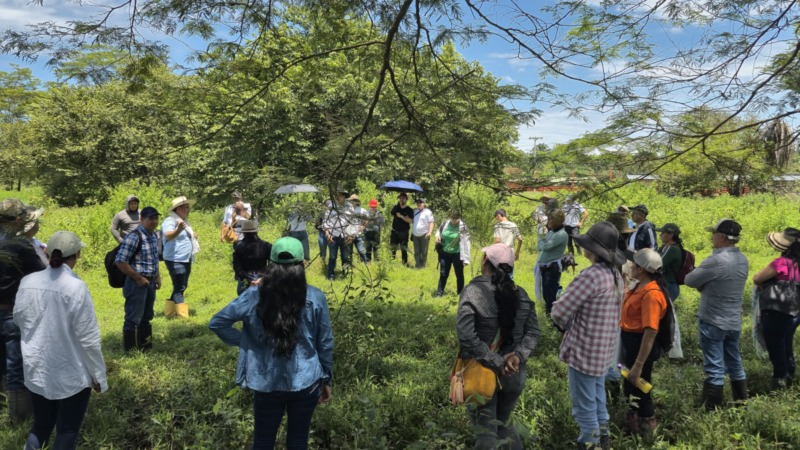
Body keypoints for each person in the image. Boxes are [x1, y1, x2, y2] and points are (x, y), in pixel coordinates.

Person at [209, 237, 333, 450]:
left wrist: (247, 342)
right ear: (302, 265)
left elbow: (218, 322)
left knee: (263, 442)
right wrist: (327, 379)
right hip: (307, 380)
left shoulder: (253, 295)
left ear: (270, 265)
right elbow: (325, 341)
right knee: (298, 441)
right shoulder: (315, 296)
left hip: (265, 381)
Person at [14, 231, 108, 450]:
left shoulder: (27, 282)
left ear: (47, 253)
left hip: (37, 369)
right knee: (67, 431)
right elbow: (88, 339)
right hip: (71, 375)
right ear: (77, 255)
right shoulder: (76, 287)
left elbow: (19, 319)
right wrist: (98, 376)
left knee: (41, 426)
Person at [455, 243, 541, 449]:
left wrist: (496, 361)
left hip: (482, 372)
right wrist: (517, 356)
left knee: (486, 433)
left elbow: (466, 336)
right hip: (514, 374)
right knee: (503, 423)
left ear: (485, 260)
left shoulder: (473, 291)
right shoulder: (521, 294)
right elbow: (533, 332)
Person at [551, 221, 624, 449]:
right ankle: (604, 439)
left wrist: (564, 324)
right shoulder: (615, 274)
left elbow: (559, 312)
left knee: (584, 408)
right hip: (603, 351)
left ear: (592, 249)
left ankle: (589, 443)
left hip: (584, 350)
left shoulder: (591, 276)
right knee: (598, 399)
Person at [685, 219, 748, 410]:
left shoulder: (715, 261)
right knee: (735, 363)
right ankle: (741, 404)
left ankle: (711, 410)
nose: (711, 237)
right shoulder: (743, 259)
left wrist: (702, 282)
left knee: (714, 367)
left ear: (721, 237)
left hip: (713, 320)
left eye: (713, 234)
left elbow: (689, 280)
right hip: (733, 320)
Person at [0, 198, 46, 423]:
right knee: (16, 363)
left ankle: (4, 409)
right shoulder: (19, 245)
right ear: (17, 219)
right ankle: (20, 418)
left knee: (2, 363)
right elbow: (43, 274)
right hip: (13, 311)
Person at [619, 248, 668, 434]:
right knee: (631, 386)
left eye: (634, 264)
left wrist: (639, 364)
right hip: (631, 343)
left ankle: (647, 428)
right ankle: (633, 426)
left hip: (640, 346)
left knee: (641, 386)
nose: (630, 266)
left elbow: (650, 331)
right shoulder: (639, 287)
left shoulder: (651, 294)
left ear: (641, 269)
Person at [752, 228, 800, 391]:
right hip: (795, 312)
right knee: (786, 343)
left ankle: (779, 381)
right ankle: (790, 375)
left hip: (776, 311)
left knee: (775, 347)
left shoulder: (781, 263)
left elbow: (757, 278)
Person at [115, 206, 162, 350]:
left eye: (156, 218)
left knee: (147, 316)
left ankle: (145, 347)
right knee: (133, 318)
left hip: (150, 282)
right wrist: (138, 278)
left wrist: (157, 276)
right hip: (136, 284)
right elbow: (120, 261)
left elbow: (154, 258)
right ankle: (130, 351)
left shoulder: (153, 235)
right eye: (150, 218)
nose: (154, 221)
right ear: (142, 219)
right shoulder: (134, 236)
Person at [162, 197, 199, 319]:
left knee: (181, 285)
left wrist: (192, 235)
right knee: (180, 287)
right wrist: (178, 229)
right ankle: (183, 317)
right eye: (186, 207)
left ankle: (169, 312)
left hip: (185, 258)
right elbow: (168, 236)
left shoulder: (184, 221)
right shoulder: (170, 221)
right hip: (175, 259)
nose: (189, 210)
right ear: (178, 209)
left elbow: (183, 236)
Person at [534, 210, 568, 315]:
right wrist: (541, 240)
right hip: (545, 267)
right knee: (546, 292)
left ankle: (552, 316)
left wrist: (541, 240)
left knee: (550, 294)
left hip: (552, 267)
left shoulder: (561, 234)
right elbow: (539, 248)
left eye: (551, 219)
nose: (548, 222)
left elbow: (545, 246)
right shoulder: (551, 232)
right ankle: (549, 314)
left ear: (557, 221)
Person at [434, 211, 471, 297]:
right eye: (452, 218)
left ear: (459, 218)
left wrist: (466, 259)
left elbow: (466, 243)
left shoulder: (463, 227)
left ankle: (460, 293)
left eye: (456, 218)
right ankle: (439, 293)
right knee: (443, 273)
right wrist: (437, 236)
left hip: (457, 254)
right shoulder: (445, 224)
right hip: (444, 253)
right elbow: (439, 232)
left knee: (459, 274)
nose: (454, 220)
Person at [232, 220, 272, 295]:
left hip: (245, 279)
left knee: (243, 301)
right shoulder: (267, 246)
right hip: (262, 278)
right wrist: (262, 278)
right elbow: (272, 265)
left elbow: (237, 267)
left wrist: (247, 280)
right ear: (256, 232)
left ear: (243, 233)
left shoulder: (239, 247)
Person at [323, 189, 353, 280]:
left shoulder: (349, 206)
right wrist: (327, 234)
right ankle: (331, 275)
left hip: (345, 235)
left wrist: (351, 235)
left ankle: (346, 274)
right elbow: (325, 221)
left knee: (345, 257)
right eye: (337, 195)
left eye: (340, 195)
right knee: (332, 257)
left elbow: (353, 221)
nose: (338, 197)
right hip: (333, 235)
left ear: (344, 196)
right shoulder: (331, 206)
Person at [656, 223, 683, 301]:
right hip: (668, 285)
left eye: (662, 233)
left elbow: (657, 264)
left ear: (671, 235)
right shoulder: (667, 247)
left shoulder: (672, 249)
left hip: (668, 286)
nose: (660, 235)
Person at [390, 193, 414, 266]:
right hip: (394, 231)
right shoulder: (396, 207)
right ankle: (391, 263)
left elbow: (410, 220)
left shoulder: (409, 210)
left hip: (404, 232)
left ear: (406, 199)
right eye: (400, 198)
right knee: (393, 248)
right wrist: (398, 205)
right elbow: (392, 213)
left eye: (403, 198)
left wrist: (401, 216)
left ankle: (404, 264)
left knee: (404, 249)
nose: (401, 199)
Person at [411, 198, 435, 269]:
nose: (419, 204)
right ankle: (418, 265)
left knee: (424, 251)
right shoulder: (414, 211)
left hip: (424, 234)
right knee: (417, 251)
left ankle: (423, 266)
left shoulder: (428, 212)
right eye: (418, 203)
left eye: (421, 203)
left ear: (424, 204)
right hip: (415, 234)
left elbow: (431, 222)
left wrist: (430, 232)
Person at [347, 195, 368, 263]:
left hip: (359, 234)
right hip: (348, 234)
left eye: (354, 200)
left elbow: (367, 219)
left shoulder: (362, 210)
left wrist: (363, 226)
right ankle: (349, 266)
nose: (352, 202)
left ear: (357, 202)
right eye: (351, 201)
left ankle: (366, 264)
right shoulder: (346, 210)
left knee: (361, 251)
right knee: (349, 252)